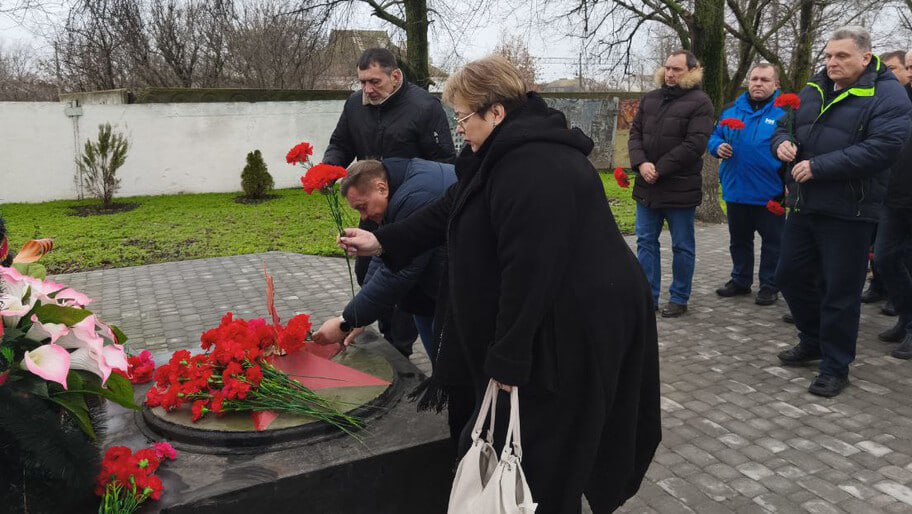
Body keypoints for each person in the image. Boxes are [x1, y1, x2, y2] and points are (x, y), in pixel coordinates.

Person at [333, 56, 661, 513]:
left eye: (464, 116)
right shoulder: (492, 157)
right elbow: (450, 208)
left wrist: (507, 359)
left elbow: (530, 271)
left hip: (575, 328)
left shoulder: (535, 167)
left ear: (497, 112)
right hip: (553, 314)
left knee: (547, 447)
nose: (458, 128)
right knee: (523, 440)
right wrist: (381, 240)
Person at [772, 27, 912, 397]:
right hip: (804, 204)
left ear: (866, 57)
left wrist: (819, 167)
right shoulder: (814, 87)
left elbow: (884, 147)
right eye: (829, 55)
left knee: (840, 292)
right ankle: (813, 339)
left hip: (851, 210)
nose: (832, 62)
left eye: (842, 56)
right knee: (788, 274)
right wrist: (782, 143)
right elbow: (786, 126)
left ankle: (836, 365)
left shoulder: (888, 95)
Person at [321, 47, 457, 356]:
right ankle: (387, 340)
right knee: (368, 270)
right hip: (376, 205)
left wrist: (345, 320)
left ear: (395, 76)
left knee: (406, 277)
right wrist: (329, 169)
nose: (367, 89)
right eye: (362, 82)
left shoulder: (424, 107)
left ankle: (401, 348)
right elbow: (340, 143)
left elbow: (445, 160)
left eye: (374, 81)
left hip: (418, 208)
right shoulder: (355, 105)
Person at [311, 158, 455, 361]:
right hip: (435, 291)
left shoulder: (415, 198)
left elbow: (400, 270)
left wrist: (345, 321)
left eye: (363, 206)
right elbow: (385, 255)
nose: (365, 217)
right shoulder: (397, 189)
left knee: (452, 362)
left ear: (381, 188)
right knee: (440, 358)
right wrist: (359, 317)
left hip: (464, 288)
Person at [628, 50, 715, 318]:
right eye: (667, 68)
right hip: (647, 185)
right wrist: (642, 164)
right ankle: (647, 297)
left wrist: (660, 168)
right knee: (645, 242)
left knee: (682, 245)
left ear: (691, 71)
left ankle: (679, 297)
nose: (670, 73)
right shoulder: (650, 99)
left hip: (679, 186)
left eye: (676, 69)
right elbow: (635, 134)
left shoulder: (700, 102)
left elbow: (694, 144)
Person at [709, 63, 787, 306]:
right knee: (739, 240)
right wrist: (716, 147)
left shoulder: (785, 113)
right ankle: (741, 281)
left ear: (776, 85)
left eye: (765, 80)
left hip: (771, 191)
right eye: (754, 79)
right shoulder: (731, 109)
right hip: (736, 189)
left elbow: (797, 147)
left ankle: (769, 285)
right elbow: (714, 136)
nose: (758, 84)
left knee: (773, 243)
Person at [874, 49, 912, 359]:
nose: (910, 73)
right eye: (909, 66)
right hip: (894, 195)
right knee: (886, 259)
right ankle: (906, 317)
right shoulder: (899, 102)